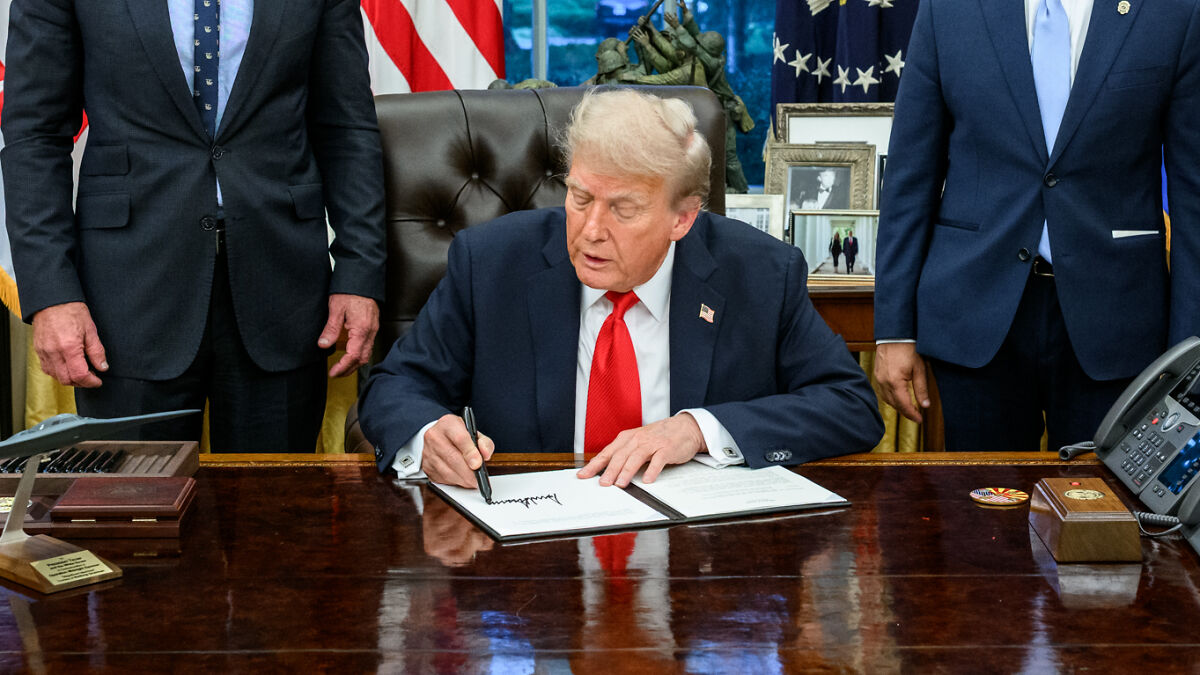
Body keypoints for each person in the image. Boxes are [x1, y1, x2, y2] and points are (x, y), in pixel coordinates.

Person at [359, 88, 882, 488]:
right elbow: (393, 388)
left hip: (697, 568)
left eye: (623, 209)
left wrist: (698, 430)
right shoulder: (492, 263)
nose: (591, 230)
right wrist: (426, 434)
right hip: (533, 570)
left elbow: (850, 406)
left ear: (683, 218)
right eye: (581, 197)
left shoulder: (760, 274)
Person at [1, 0, 386, 451]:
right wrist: (52, 295)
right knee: (133, 513)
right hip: (128, 297)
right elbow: (35, 136)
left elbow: (347, 128)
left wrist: (360, 273)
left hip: (282, 292)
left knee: (273, 516)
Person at [874, 0, 1200, 452]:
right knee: (977, 516)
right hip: (973, 319)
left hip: (1118, 324)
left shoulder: (1174, 11)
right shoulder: (947, 10)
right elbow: (910, 180)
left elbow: (1193, 197)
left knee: (1103, 517)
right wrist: (895, 331)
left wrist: (1190, 354)